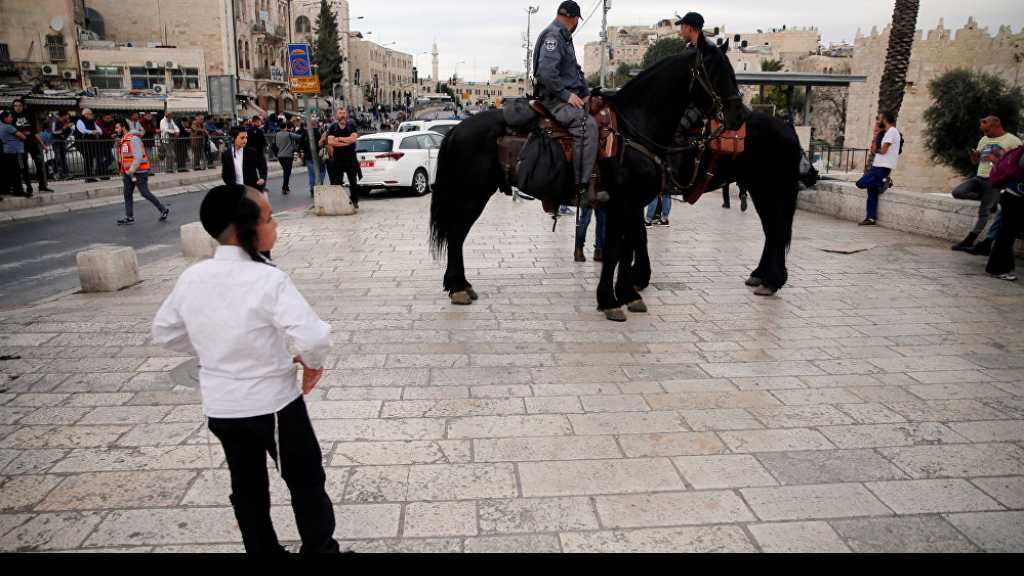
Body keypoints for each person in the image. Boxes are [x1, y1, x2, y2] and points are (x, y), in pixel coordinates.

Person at [151, 184, 340, 555]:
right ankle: (319, 549)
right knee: (304, 479)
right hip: (274, 406)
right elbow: (314, 337)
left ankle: (262, 550)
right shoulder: (268, 279)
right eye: (269, 218)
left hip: (222, 407)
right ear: (245, 229)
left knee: (247, 485)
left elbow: (165, 332)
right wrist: (312, 364)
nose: (275, 226)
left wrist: (215, 345)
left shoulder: (192, 277)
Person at [534, 1, 599, 206]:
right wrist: (566, 95)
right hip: (554, 101)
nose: (577, 24)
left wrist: (586, 93)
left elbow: (574, 70)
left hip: (567, 96)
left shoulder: (564, 37)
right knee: (586, 126)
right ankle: (579, 187)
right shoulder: (554, 37)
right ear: (573, 19)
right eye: (577, 20)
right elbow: (546, 73)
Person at [951, 116, 1023, 252]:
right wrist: (975, 157)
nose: (985, 134)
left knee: (984, 212)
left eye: (987, 130)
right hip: (979, 177)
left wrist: (997, 159)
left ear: (996, 126)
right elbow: (976, 162)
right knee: (958, 192)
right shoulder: (984, 140)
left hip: (994, 180)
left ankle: (970, 240)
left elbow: (1015, 163)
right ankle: (990, 200)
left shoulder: (1012, 141)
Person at [115, 118, 169, 226]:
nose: (116, 130)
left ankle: (163, 209)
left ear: (123, 127)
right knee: (127, 194)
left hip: (139, 172)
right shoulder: (124, 139)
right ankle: (129, 217)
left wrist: (131, 170)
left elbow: (138, 157)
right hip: (129, 172)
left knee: (145, 193)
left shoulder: (133, 138)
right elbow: (124, 157)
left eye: (117, 127)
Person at [986, 149, 1024, 282]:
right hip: (1015, 198)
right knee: (1006, 235)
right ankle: (998, 269)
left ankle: (1000, 268)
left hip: (1011, 196)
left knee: (1007, 235)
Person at [858, 111, 902, 226]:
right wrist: (876, 135)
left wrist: (877, 149)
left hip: (883, 167)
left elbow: (883, 151)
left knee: (861, 183)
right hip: (877, 165)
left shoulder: (892, 131)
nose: (878, 121)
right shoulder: (884, 132)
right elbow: (873, 150)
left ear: (885, 119)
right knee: (871, 192)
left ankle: (884, 181)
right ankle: (870, 218)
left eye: (880, 119)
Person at [12, 99, 54, 192]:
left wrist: (43, 144)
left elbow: (35, 132)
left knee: (40, 164)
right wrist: (22, 133)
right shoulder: (12, 117)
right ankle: (29, 187)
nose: (17, 107)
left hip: (33, 143)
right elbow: (12, 132)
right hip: (20, 145)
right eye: (15, 105)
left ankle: (42, 186)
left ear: (22, 106)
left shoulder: (29, 116)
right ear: (13, 107)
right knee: (24, 167)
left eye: (19, 105)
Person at [326, 108, 360, 209]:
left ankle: (354, 200)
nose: (342, 115)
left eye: (344, 113)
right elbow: (331, 142)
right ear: (337, 115)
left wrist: (340, 139)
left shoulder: (351, 126)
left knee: (353, 181)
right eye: (340, 113)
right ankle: (338, 201)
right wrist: (347, 142)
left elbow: (354, 139)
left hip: (351, 158)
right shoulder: (333, 127)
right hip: (338, 158)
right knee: (337, 181)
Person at [1, 109, 31, 197]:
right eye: (10, 117)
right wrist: (23, 134)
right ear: (5, 118)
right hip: (15, 152)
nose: (11, 118)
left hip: (6, 151)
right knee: (17, 172)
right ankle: (18, 190)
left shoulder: (1, 126)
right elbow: (23, 137)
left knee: (9, 172)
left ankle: (7, 189)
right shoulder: (9, 127)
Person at [296, 117, 326, 196]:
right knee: (322, 171)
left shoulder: (305, 133)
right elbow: (324, 143)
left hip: (308, 157)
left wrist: (301, 153)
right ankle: (319, 186)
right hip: (318, 156)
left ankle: (312, 189)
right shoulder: (319, 132)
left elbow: (300, 144)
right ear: (316, 124)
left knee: (311, 174)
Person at [75, 108, 105, 182]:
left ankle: (91, 176)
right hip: (82, 143)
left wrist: (96, 132)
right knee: (87, 159)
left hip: (90, 143)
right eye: (91, 114)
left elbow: (100, 131)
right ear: (86, 114)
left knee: (91, 159)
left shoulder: (92, 122)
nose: (92, 115)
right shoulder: (80, 121)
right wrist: (92, 132)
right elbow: (82, 130)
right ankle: (88, 177)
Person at [274, 123, 302, 195]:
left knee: (286, 171)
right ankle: (284, 187)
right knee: (287, 172)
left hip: (280, 156)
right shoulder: (289, 134)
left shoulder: (277, 134)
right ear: (286, 127)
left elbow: (276, 145)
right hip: (288, 156)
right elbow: (300, 137)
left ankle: (286, 186)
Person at [49, 111, 72, 180]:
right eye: (67, 116)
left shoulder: (66, 122)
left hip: (62, 141)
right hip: (56, 141)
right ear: (63, 116)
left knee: (63, 157)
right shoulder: (55, 121)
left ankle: (66, 173)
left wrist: (64, 135)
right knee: (58, 157)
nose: (68, 117)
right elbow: (53, 131)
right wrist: (63, 129)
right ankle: (58, 173)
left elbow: (69, 131)